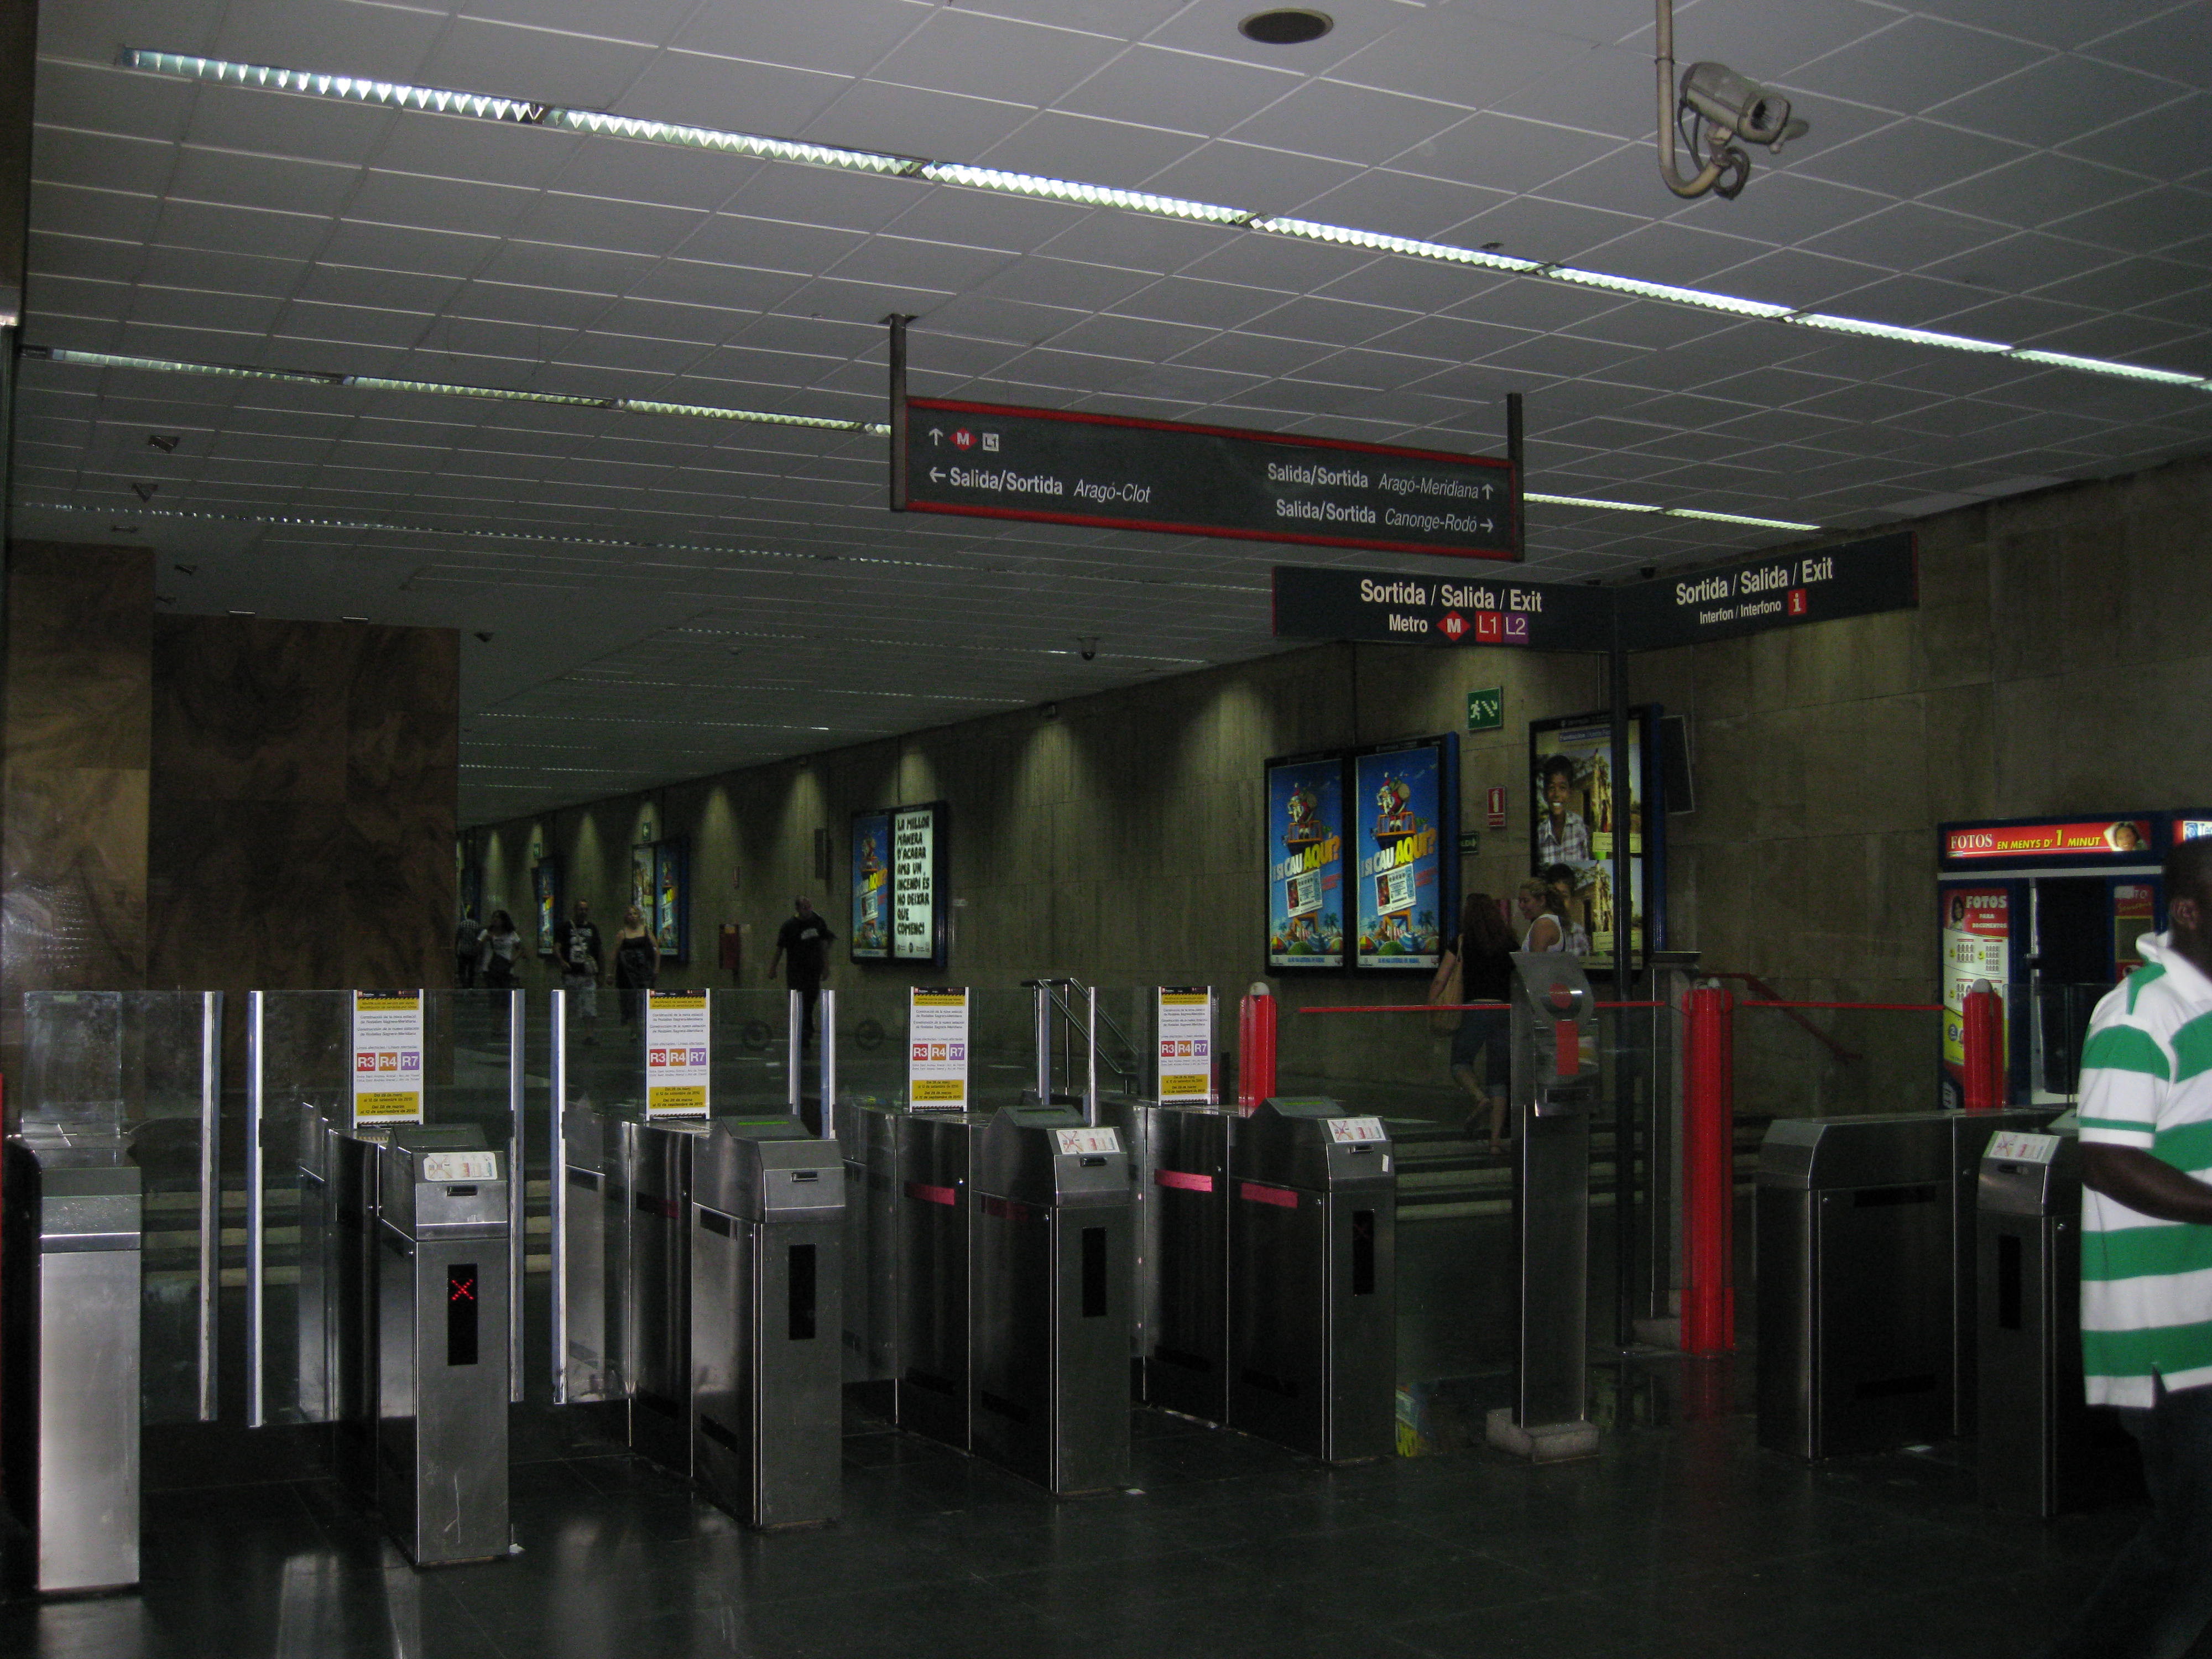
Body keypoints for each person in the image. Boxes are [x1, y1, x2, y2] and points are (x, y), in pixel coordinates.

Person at [2042, 836, 2212, 1659]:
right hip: (2164, 1339)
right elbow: (2109, 1159)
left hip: (2207, 1323)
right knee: (2193, 1545)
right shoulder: (2141, 1013)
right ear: (2188, 910)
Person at [1438, 892, 1516, 1155]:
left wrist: (1432, 1003)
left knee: (1460, 1062)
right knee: (1499, 1079)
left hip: (1475, 1008)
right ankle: (1495, 1142)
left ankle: (1479, 1098)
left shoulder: (1463, 942)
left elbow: (1442, 978)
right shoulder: (1509, 941)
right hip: (1506, 1011)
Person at [770, 896, 835, 1049]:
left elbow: (824, 944)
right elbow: (780, 948)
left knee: (811, 999)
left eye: (810, 907)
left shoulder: (818, 921)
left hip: (813, 969)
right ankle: (802, 1030)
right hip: (796, 971)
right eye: (805, 908)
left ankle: (807, 1027)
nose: (808, 911)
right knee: (798, 1001)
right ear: (798, 909)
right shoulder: (789, 926)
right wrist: (773, 967)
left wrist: (826, 966)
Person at [559, 899, 604, 1034]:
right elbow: (557, 947)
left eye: (585, 910)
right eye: (580, 909)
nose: (583, 912)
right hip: (571, 973)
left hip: (588, 974)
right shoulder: (565, 927)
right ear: (575, 910)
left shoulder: (592, 928)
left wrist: (602, 973)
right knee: (569, 1004)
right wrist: (562, 962)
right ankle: (564, 1032)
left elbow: (599, 951)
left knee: (589, 1006)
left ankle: (589, 1034)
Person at [1536, 755, 1590, 868]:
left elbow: (1586, 860)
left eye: (1562, 788)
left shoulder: (1578, 825)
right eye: (1552, 788)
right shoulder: (1540, 832)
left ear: (1570, 792)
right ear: (1545, 793)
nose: (1557, 794)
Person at [614, 902, 660, 1025]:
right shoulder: (622, 934)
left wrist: (656, 968)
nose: (633, 916)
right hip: (627, 973)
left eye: (635, 913)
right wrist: (610, 972)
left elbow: (656, 950)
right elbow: (615, 954)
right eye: (630, 914)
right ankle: (633, 1027)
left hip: (644, 971)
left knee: (644, 999)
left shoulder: (646, 931)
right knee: (630, 1001)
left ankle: (645, 1025)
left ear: (639, 916)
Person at [1544, 862, 1592, 955]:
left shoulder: (1578, 933)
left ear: (1571, 899)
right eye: (1555, 896)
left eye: (1564, 897)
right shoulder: (1539, 929)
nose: (1559, 902)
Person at [1514, 877, 1564, 954]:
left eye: (1526, 901)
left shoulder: (1543, 924)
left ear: (1542, 901)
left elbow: (1535, 962)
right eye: (1520, 901)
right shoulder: (1552, 920)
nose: (1521, 905)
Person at [482, 910, 521, 990]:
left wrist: (513, 959)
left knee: (505, 992)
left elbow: (520, 949)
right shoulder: (487, 933)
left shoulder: (511, 934)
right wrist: (484, 940)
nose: (495, 920)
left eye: (498, 918)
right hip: (490, 967)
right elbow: (476, 949)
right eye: (494, 917)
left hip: (505, 967)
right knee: (494, 992)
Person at [453, 907, 484, 989]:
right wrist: (480, 954)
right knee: (471, 970)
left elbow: (457, 938)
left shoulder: (462, 924)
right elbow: (480, 940)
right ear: (474, 916)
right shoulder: (477, 926)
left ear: (467, 915)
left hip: (463, 950)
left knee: (462, 970)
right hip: (473, 951)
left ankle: (464, 985)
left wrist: (456, 949)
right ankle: (471, 986)